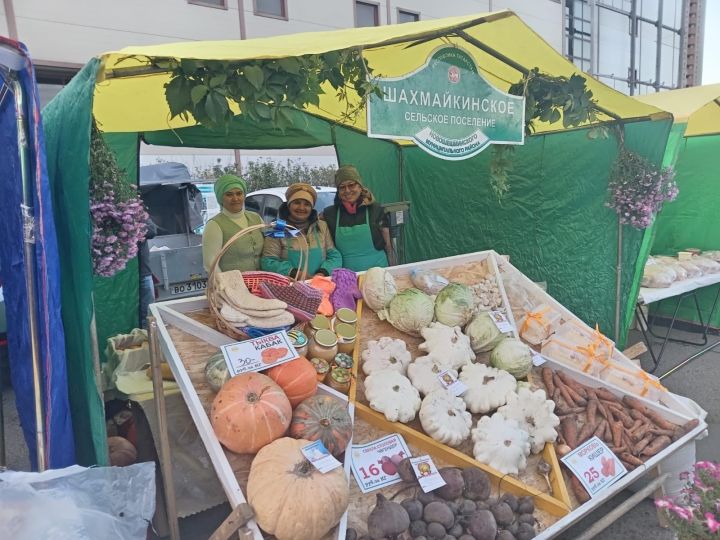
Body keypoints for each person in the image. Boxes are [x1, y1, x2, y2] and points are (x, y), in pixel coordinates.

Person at [321, 165, 394, 271]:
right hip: (346, 277)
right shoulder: (329, 214)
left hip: (378, 271)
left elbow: (388, 245)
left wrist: (394, 270)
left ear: (360, 186)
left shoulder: (376, 209)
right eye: (342, 187)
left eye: (351, 185)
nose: (347, 190)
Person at [261, 183, 342, 279]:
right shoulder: (277, 229)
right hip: (290, 287)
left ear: (312, 208)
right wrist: (295, 273)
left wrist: (322, 272)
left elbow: (334, 256)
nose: (301, 208)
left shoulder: (321, 226)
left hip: (319, 285)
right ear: (289, 205)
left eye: (307, 204)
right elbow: (268, 262)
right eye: (297, 202)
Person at [202, 174, 264, 273]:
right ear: (220, 198)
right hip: (232, 286)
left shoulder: (256, 218)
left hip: (261, 284)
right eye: (229, 194)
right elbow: (211, 265)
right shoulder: (214, 225)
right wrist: (225, 286)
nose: (235, 198)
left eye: (239, 193)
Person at [139, 216, 157, 329]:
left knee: (148, 311)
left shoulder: (138, 214)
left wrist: (134, 228)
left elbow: (152, 231)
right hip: (125, 278)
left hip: (144, 273)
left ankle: (148, 339)